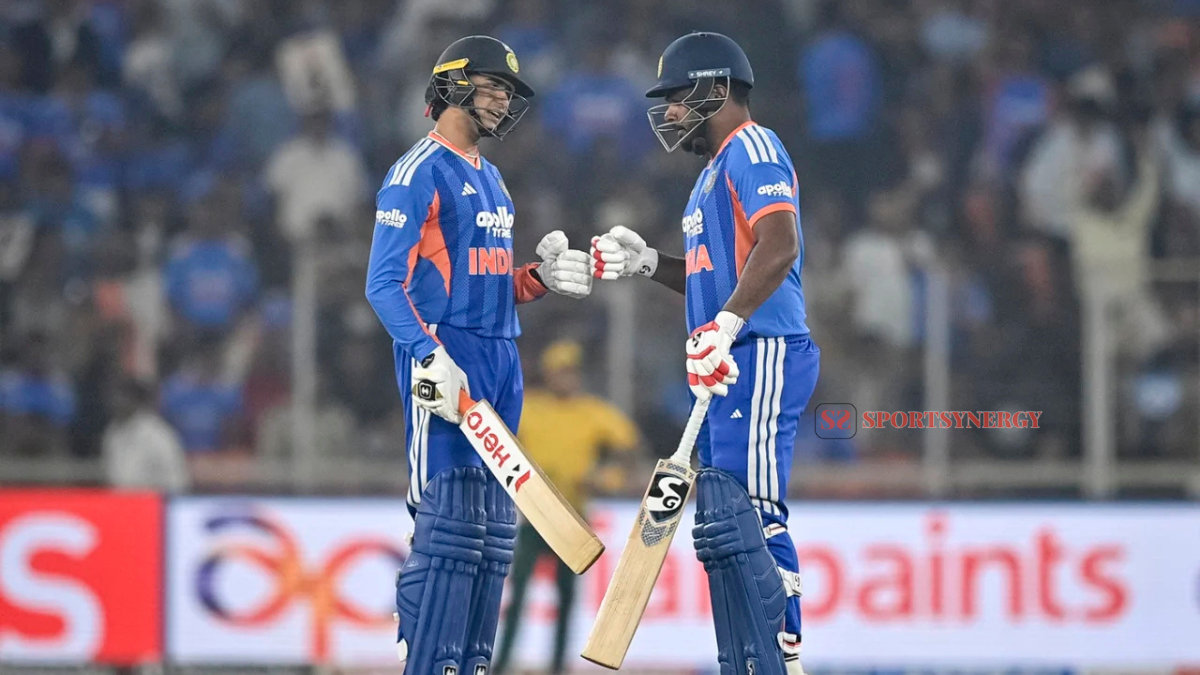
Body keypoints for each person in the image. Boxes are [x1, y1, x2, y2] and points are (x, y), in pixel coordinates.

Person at [364, 36, 593, 675]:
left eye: (508, 93)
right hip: (446, 357)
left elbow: (488, 282)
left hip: (500, 357)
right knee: (445, 525)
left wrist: (539, 279)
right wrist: (426, 354)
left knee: (491, 534)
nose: (502, 102)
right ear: (453, 85)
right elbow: (382, 284)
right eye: (493, 87)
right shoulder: (416, 172)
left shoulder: (491, 177)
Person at [591, 32, 818, 675]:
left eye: (675, 96)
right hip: (726, 357)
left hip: (760, 351)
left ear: (716, 89)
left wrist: (728, 324)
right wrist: (647, 263)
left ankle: (783, 654)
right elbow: (713, 276)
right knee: (724, 519)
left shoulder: (753, 146)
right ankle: (745, 657)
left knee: (753, 513)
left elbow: (780, 245)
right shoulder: (710, 175)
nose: (667, 112)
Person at [492, 340, 640, 674]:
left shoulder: (591, 411)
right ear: (548, 374)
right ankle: (502, 663)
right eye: (561, 372)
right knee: (518, 595)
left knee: (567, 598)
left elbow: (630, 448)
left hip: (573, 517)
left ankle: (558, 665)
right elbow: (502, 443)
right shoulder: (531, 408)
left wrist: (608, 477)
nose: (567, 378)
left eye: (571, 372)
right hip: (534, 517)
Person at [102, 378, 189, 493]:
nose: (117, 402)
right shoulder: (113, 431)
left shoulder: (159, 434)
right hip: (119, 500)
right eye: (115, 397)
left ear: (135, 400)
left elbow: (177, 481)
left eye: (123, 397)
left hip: (152, 499)